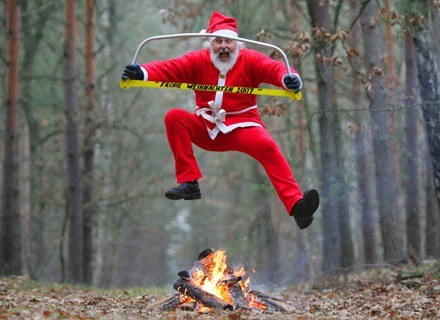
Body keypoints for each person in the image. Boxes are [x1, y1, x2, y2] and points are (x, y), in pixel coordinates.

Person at [122, 11, 319, 229]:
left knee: (268, 147)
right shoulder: (198, 60)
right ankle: (189, 182)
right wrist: (141, 72)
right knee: (174, 117)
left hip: (243, 126)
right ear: (210, 44)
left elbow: (275, 68)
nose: (223, 47)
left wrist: (288, 79)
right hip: (206, 128)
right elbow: (170, 68)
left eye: (228, 42)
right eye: (218, 42)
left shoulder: (251, 59)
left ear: (238, 45)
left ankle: (297, 207)